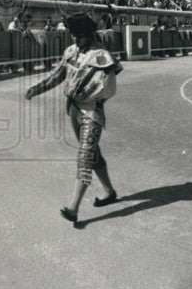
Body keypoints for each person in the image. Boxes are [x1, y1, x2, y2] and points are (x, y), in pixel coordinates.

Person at [25, 13, 123, 224]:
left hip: (92, 112)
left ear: (89, 34)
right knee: (92, 152)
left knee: (85, 156)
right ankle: (109, 191)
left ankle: (73, 208)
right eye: (73, 35)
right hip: (74, 109)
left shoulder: (102, 55)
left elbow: (109, 87)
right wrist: (38, 88)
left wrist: (89, 96)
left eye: (79, 36)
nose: (75, 40)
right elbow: (58, 75)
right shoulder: (71, 51)